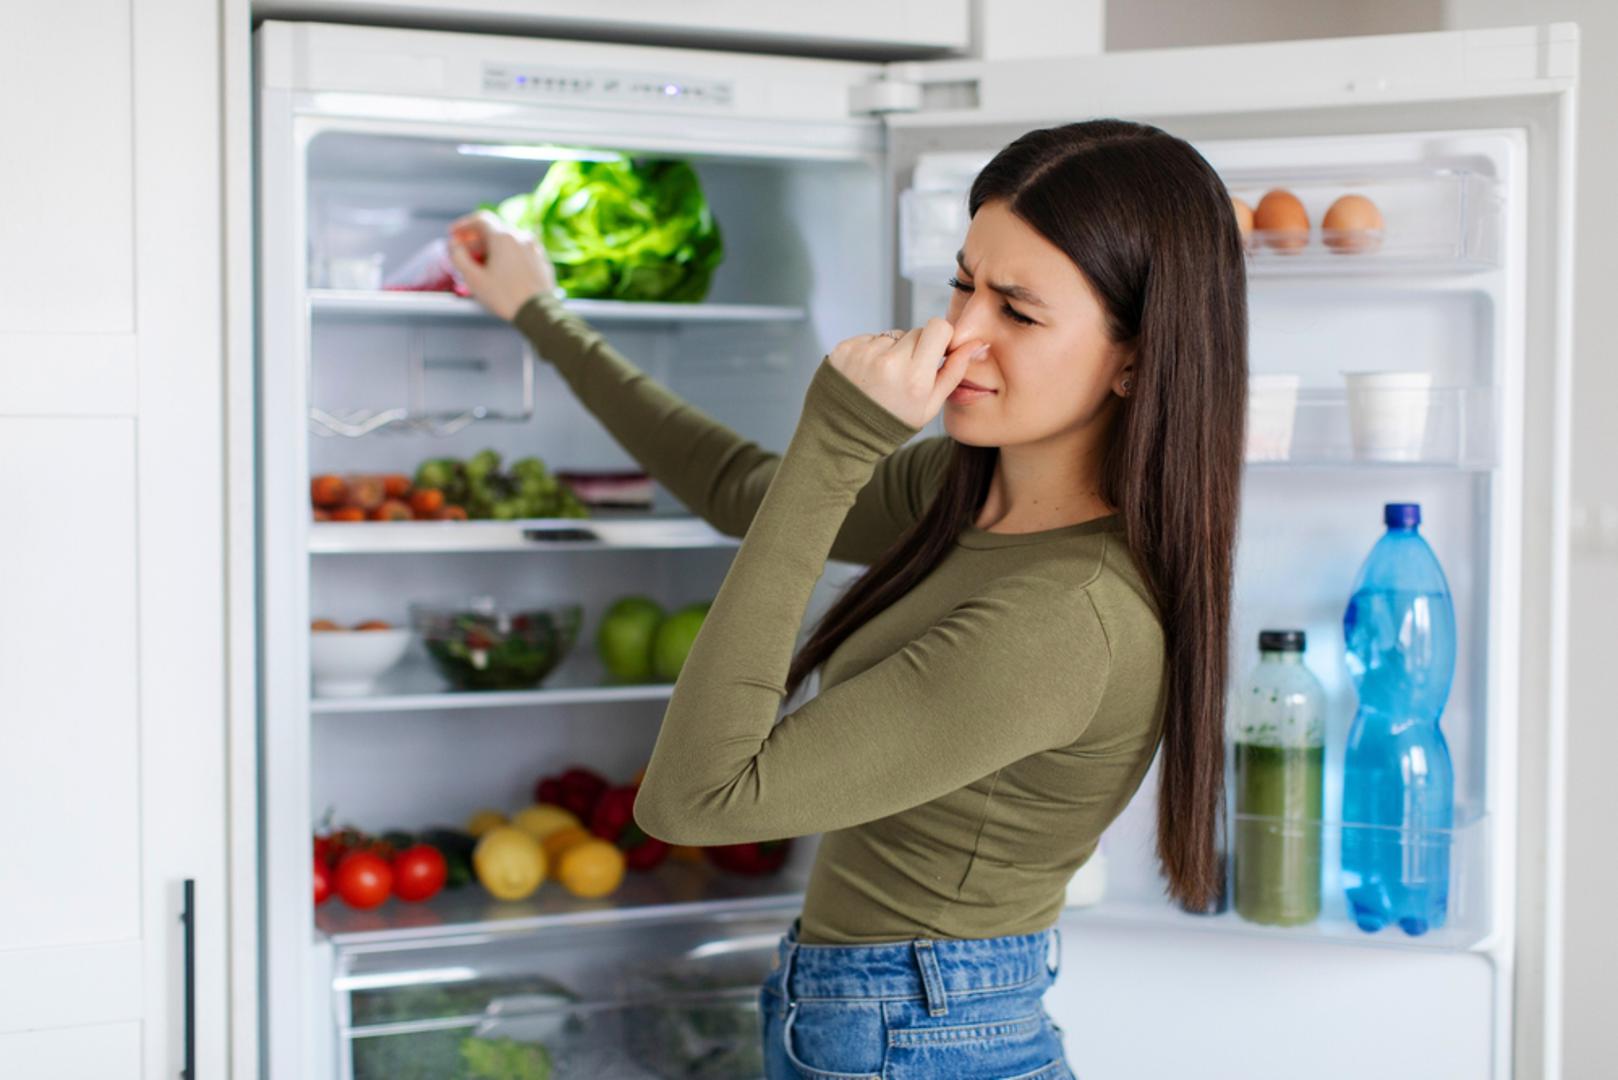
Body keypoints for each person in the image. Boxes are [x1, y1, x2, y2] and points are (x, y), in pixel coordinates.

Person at [448, 117, 1247, 1079]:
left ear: (1135, 356)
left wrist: (837, 441)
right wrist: (541, 312)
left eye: (1019, 312)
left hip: (921, 1036)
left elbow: (695, 800)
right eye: (963, 285)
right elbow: (740, 489)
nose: (961, 334)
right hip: (888, 1019)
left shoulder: (1068, 617)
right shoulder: (963, 488)